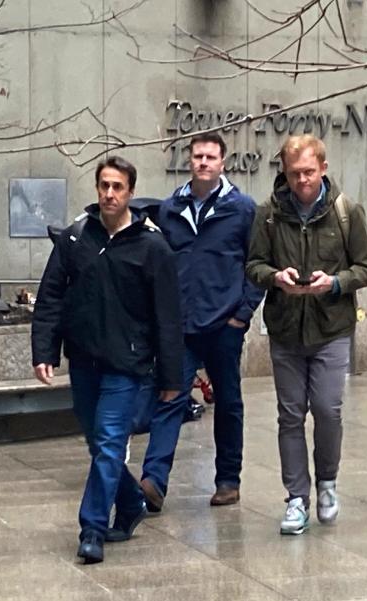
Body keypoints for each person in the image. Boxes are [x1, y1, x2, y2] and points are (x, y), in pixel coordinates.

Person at [31, 156, 183, 564]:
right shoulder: (77, 238)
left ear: (131, 191)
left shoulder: (153, 247)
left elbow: (168, 317)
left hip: (126, 364)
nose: (110, 194)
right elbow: (50, 298)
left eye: (118, 187)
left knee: (111, 443)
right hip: (83, 359)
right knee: (97, 441)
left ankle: (92, 528)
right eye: (104, 186)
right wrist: (44, 351)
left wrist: (171, 375)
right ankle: (131, 502)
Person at [247, 135, 367, 535]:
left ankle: (327, 482)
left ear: (322, 167)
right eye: (293, 174)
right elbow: (253, 264)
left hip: (331, 326)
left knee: (326, 409)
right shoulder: (269, 213)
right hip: (286, 326)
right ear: (284, 174)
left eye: (307, 172)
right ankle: (295, 498)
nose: (301, 181)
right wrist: (275, 278)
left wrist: (335, 283)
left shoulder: (346, 212)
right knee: (289, 415)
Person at [139, 132, 263, 512]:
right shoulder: (170, 209)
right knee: (170, 396)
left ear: (222, 163)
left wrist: (242, 315)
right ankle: (153, 481)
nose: (203, 162)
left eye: (210, 157)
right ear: (189, 161)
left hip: (224, 324)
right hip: (181, 326)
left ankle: (228, 480)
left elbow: (256, 264)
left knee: (228, 402)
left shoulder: (241, 209)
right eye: (197, 156)